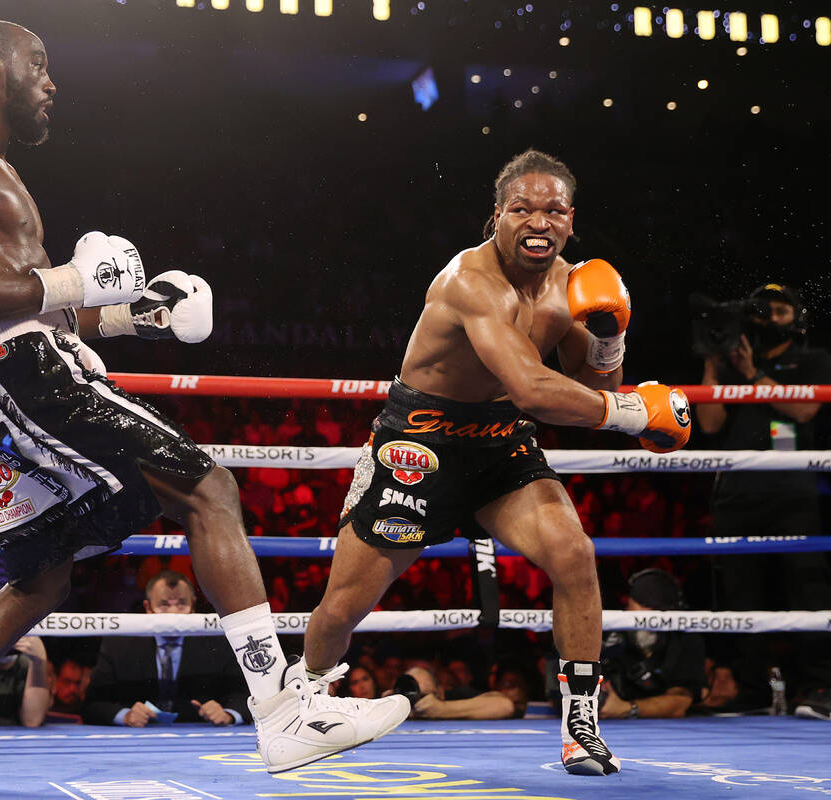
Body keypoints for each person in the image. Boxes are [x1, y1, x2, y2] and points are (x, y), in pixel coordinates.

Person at [0, 18, 407, 786]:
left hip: (4, 373)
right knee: (208, 486)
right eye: (37, 65)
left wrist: (129, 314)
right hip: (18, 372)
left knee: (42, 581)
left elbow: (29, 300)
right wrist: (75, 282)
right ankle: (283, 711)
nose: (51, 82)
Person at [298, 149, 693, 777]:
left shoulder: (572, 286)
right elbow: (540, 391)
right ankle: (303, 706)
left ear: (570, 221)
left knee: (574, 553)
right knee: (344, 605)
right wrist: (631, 412)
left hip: (502, 443)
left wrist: (610, 332)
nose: (538, 220)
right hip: (420, 445)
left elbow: (594, 382)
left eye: (553, 209)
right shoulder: (468, 281)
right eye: (523, 208)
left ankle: (579, 724)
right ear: (497, 217)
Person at [695, 282, 831, 711]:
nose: (769, 318)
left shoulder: (812, 361)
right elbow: (711, 424)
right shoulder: (732, 363)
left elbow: (805, 411)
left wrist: (754, 375)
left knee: (807, 590)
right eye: (763, 311)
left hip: (793, 494)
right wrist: (716, 363)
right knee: (740, 596)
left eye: (779, 311)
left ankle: (817, 689)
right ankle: (750, 691)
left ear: (798, 319)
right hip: (736, 495)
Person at [82, 570, 250, 727]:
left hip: (199, 738)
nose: (173, 614)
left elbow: (243, 696)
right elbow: (93, 704)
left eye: (181, 604)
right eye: (164, 605)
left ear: (193, 606)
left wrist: (228, 714)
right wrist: (125, 715)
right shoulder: (119, 644)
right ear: (148, 608)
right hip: (138, 738)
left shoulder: (217, 643)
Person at [594, 568, 705, 719]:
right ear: (629, 603)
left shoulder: (684, 639)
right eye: (643, 604)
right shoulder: (604, 634)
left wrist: (627, 708)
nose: (649, 614)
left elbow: (680, 702)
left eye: (657, 608)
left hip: (665, 731)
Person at [396, 665, 518, 720]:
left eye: (424, 695)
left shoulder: (453, 697)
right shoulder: (392, 701)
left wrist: (443, 709)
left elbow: (505, 705)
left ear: (440, 693)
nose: (415, 697)